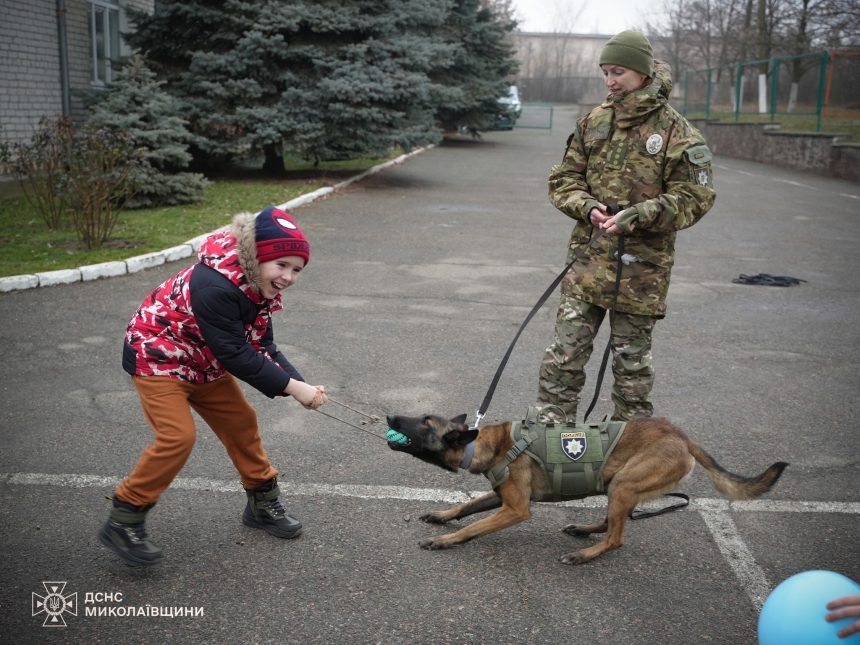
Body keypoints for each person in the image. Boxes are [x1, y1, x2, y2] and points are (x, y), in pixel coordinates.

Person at [99, 206, 327, 566]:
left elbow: (261, 345)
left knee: (241, 422)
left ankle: (262, 503)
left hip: (204, 359)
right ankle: (124, 518)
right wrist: (292, 388)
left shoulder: (256, 286)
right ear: (257, 256)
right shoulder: (216, 284)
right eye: (281, 265)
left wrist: (298, 384)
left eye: (296, 269)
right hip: (159, 357)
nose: (288, 276)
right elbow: (237, 354)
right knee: (177, 437)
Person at [536, 30, 716, 423]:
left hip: (641, 270)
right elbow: (564, 179)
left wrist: (639, 214)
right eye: (605, 72)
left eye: (618, 71)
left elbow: (695, 197)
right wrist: (587, 207)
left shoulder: (677, 132)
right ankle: (548, 444)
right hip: (588, 262)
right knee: (563, 358)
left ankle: (632, 455)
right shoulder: (594, 122)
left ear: (643, 71)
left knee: (631, 369)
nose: (610, 80)